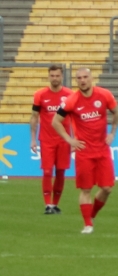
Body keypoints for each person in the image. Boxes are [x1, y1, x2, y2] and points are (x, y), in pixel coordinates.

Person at [61, 65, 118, 234]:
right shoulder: (72, 100)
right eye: (78, 78)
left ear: (91, 78)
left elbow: (117, 113)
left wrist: (113, 133)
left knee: (107, 188)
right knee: (86, 189)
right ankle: (88, 224)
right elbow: (56, 121)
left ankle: (91, 215)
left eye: (85, 77)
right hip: (84, 151)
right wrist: (69, 139)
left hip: (102, 150)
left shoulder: (104, 95)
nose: (82, 81)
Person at [32, 64, 71, 215]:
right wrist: (33, 139)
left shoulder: (69, 95)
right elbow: (34, 117)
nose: (55, 78)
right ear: (49, 76)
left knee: (61, 172)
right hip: (47, 139)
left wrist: (73, 140)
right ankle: (48, 205)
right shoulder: (40, 95)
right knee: (47, 172)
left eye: (57, 76)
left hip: (63, 140)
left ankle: (55, 204)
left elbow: (74, 119)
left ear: (62, 77)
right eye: (52, 76)